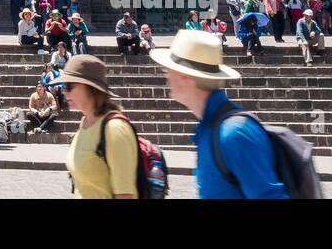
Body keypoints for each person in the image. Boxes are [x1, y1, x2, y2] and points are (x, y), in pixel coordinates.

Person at [153, 29, 288, 198]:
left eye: (169, 70)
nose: (166, 76)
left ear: (184, 77)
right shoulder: (210, 128)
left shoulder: (233, 133)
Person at [52, 54, 141, 198]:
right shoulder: (86, 121)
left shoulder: (114, 129)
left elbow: (125, 195)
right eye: (63, 86)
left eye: (69, 86)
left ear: (90, 88)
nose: (64, 90)